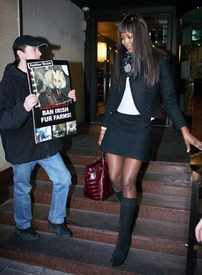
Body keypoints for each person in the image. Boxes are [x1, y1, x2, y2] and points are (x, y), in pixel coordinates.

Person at [98, 13, 202, 267]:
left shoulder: (158, 60)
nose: (125, 41)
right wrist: (103, 127)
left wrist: (184, 129)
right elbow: (113, 94)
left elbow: (169, 98)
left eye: (129, 36)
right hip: (117, 123)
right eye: (122, 37)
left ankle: (122, 242)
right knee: (114, 179)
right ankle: (128, 211)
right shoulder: (120, 57)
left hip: (140, 126)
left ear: (141, 35)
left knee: (128, 180)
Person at [0, 35, 76, 241]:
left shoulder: (44, 75)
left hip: (45, 143)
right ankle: (22, 225)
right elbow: (3, 119)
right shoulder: (7, 83)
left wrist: (67, 101)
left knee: (64, 178)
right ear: (20, 53)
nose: (40, 53)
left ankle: (56, 219)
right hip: (22, 147)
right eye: (34, 50)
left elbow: (53, 109)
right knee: (23, 188)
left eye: (39, 50)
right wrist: (23, 107)